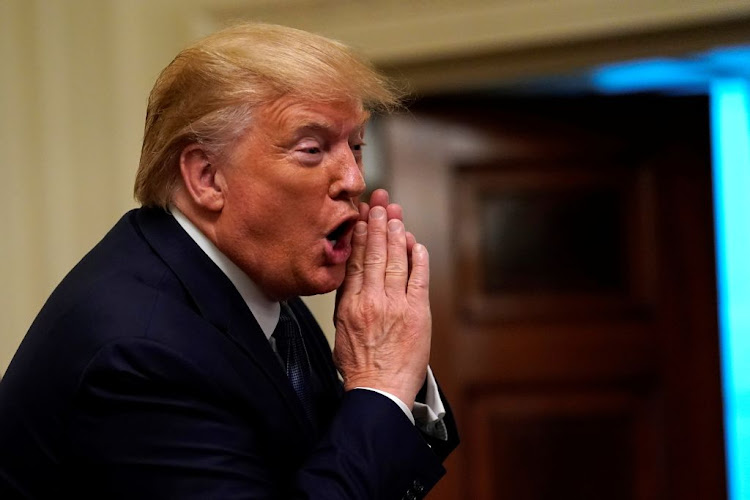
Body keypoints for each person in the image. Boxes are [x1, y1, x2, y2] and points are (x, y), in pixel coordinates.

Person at [0, 22, 458, 499]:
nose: (351, 177)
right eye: (312, 149)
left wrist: (394, 377)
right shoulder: (142, 350)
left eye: (356, 146)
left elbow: (328, 458)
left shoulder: (258, 282)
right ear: (207, 177)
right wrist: (380, 385)